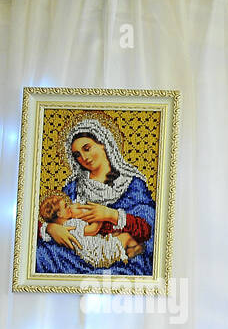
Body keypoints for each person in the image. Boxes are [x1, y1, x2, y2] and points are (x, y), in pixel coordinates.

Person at [35, 115, 156, 275]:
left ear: (104, 144)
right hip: (72, 254)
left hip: (117, 252)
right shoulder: (73, 187)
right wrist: (50, 228)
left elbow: (147, 229)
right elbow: (47, 219)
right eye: (77, 155)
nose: (83, 158)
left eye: (87, 148)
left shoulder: (132, 185)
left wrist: (110, 214)